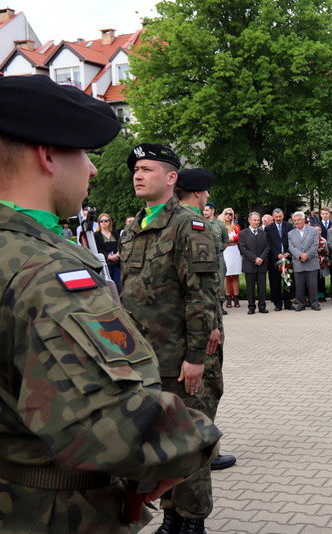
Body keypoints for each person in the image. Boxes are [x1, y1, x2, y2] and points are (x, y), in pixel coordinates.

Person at [0, 74, 220, 533]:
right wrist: (196, 442)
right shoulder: (46, 273)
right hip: (55, 510)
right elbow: (112, 428)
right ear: (47, 156)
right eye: (82, 153)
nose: (93, 169)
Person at [120, 143, 223, 533]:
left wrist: (196, 357)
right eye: (136, 169)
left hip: (181, 359)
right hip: (144, 359)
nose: (138, 174)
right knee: (161, 445)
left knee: (187, 442)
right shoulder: (134, 228)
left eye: (147, 168)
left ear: (171, 177)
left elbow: (201, 294)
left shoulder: (187, 225)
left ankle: (192, 522)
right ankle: (171, 516)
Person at [174, 169, 238, 474]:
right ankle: (205, 452)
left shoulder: (168, 220)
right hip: (202, 322)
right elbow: (205, 285)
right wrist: (212, 324)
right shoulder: (195, 225)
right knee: (207, 388)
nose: (209, 197)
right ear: (198, 193)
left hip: (179, 325)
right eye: (206, 192)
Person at [287, 211, 321, 311]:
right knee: (299, 285)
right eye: (295, 220)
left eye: (299, 220)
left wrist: (307, 255)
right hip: (298, 262)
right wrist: (300, 255)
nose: (297, 222)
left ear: (304, 220)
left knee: (312, 285)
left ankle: (314, 303)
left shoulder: (313, 231)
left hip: (311, 261)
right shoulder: (290, 233)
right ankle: (301, 304)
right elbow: (291, 247)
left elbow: (315, 245)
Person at [239, 212, 270, 314]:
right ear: (249, 220)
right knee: (250, 288)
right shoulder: (243, 233)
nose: (256, 222)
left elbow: (267, 247)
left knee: (262, 287)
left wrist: (261, 258)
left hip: (262, 264)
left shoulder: (264, 233)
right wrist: (255, 258)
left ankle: (262, 306)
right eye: (254, 220)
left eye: (258, 220)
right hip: (249, 264)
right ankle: (251, 307)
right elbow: (243, 249)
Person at [203, 202, 229, 315]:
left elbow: (226, 240)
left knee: (219, 282)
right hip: (204, 258)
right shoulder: (199, 223)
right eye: (204, 210)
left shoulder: (220, 225)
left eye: (207, 210)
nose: (205, 212)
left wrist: (220, 248)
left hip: (218, 257)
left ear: (212, 211)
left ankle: (220, 305)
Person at [265, 208, 294, 311]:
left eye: (280, 216)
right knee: (275, 282)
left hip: (287, 258)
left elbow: (292, 241)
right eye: (276, 217)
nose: (278, 218)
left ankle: (288, 303)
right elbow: (268, 244)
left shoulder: (289, 226)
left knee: (287, 281)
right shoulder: (268, 229)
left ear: (283, 216)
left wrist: (288, 253)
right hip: (274, 259)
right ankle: (277, 304)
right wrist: (277, 254)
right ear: (273, 217)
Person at [96, 212, 122, 293]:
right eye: (101, 221)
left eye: (106, 220)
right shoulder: (96, 235)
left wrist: (118, 253)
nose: (103, 222)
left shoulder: (115, 233)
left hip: (117, 262)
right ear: (99, 223)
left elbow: (121, 244)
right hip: (105, 264)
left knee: (118, 284)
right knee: (108, 285)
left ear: (109, 222)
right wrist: (108, 256)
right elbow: (97, 249)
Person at [221, 208, 243, 308]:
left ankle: (236, 297)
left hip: (234, 250)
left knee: (235, 274)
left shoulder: (236, 226)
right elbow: (221, 238)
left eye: (231, 214)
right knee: (227, 274)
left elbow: (238, 238)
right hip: (225, 250)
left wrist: (229, 239)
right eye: (227, 214)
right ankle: (228, 297)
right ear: (223, 215)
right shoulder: (221, 226)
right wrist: (230, 240)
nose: (228, 216)